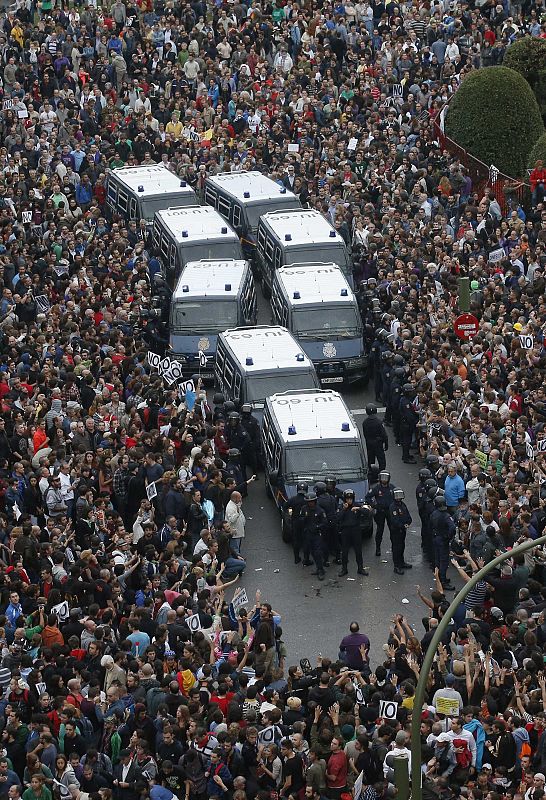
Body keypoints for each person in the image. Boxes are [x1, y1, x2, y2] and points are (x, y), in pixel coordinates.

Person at [337, 490, 369, 577]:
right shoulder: (341, 507)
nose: (349, 501)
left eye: (351, 499)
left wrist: (358, 509)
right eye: (347, 499)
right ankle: (344, 569)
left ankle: (360, 568)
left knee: (358, 550)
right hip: (345, 530)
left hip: (356, 530)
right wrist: (344, 509)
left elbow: (367, 512)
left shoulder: (357, 505)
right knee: (345, 551)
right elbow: (338, 517)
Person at [387, 488, 412, 575]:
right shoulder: (393, 507)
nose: (398, 498)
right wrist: (402, 525)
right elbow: (394, 520)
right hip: (396, 531)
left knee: (402, 546)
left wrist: (408, 522)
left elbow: (407, 515)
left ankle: (402, 562)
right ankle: (397, 566)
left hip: (402, 530)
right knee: (396, 548)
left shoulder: (402, 504)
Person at [361, 404, 388, 471]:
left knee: (371, 460)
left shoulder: (365, 422)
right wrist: (386, 443)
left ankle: (371, 472)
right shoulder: (379, 422)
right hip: (378, 443)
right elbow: (384, 434)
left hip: (369, 444)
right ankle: (382, 472)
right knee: (381, 460)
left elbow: (365, 434)